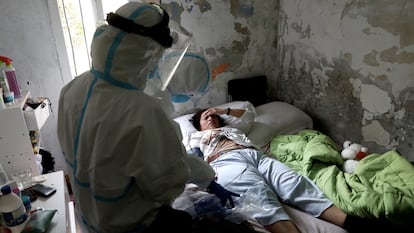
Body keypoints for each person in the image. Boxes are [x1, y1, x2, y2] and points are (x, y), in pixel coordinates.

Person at [57, 2, 238, 233]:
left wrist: (206, 177)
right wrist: (209, 180)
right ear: (145, 53)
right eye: (157, 57)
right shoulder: (141, 111)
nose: (156, 67)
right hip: (129, 225)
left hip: (88, 218)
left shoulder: (72, 88)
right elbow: (166, 182)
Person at [188, 104, 409, 233]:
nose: (212, 118)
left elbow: (249, 112)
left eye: (213, 115)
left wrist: (221, 109)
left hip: (256, 155)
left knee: (296, 184)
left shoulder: (234, 128)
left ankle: (355, 224)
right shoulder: (195, 137)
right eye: (206, 117)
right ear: (199, 124)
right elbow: (189, 158)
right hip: (226, 161)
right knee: (258, 196)